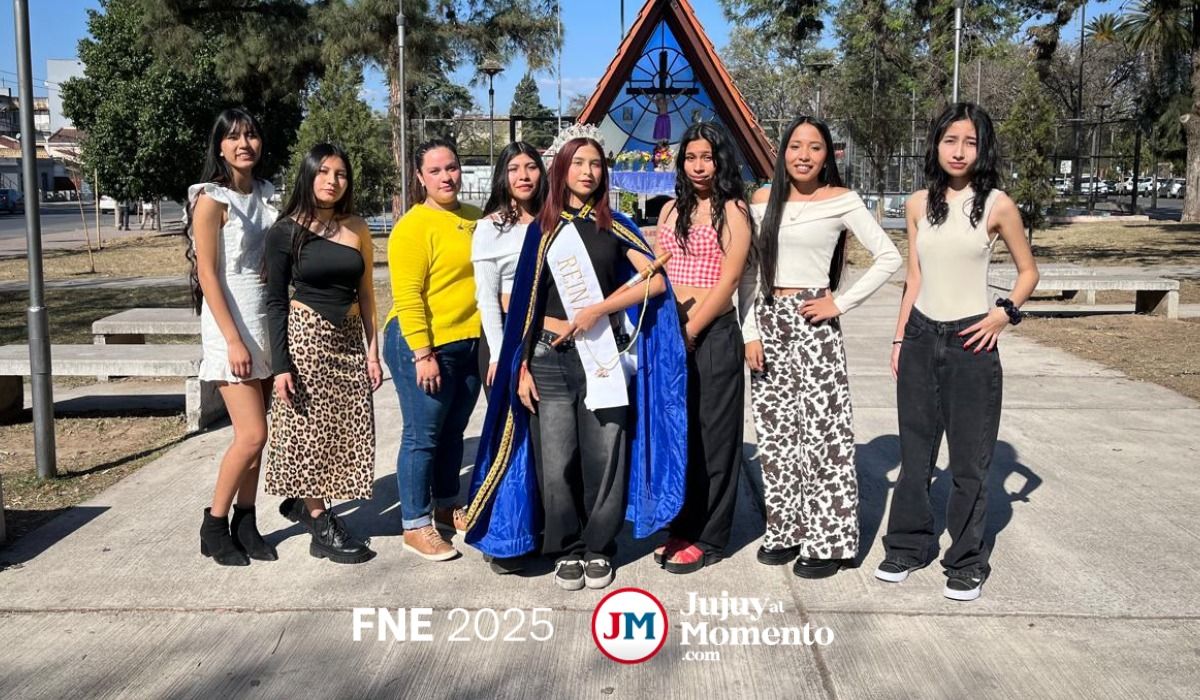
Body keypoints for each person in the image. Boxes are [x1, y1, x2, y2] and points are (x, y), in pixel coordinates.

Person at [463, 129, 688, 591]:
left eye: (596, 163)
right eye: (578, 163)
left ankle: (599, 546)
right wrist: (520, 367)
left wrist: (598, 309)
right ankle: (565, 547)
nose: (588, 172)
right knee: (557, 460)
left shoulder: (615, 224)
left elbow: (656, 282)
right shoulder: (542, 231)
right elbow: (524, 306)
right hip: (548, 358)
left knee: (606, 456)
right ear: (562, 170)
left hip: (602, 354)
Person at [875, 103, 1038, 602]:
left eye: (970, 141)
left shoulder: (998, 205)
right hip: (921, 337)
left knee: (969, 464)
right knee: (916, 456)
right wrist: (900, 338)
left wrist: (1004, 314)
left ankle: (966, 560)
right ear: (936, 145)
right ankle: (908, 546)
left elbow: (1029, 272)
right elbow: (914, 277)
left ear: (982, 148)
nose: (960, 151)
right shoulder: (918, 204)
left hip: (972, 342)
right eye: (950, 140)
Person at [741, 115, 902, 579]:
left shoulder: (842, 200)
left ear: (828, 154)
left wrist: (839, 303)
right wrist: (749, 332)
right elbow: (749, 273)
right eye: (795, 146)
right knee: (776, 435)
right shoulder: (761, 201)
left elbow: (889, 257)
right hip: (768, 320)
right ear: (782, 152)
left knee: (824, 435)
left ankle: (828, 540)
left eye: (815, 147)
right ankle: (785, 530)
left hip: (815, 324)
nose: (804, 155)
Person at [265, 143, 381, 565]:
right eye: (324, 172)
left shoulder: (357, 227)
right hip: (306, 337)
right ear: (309, 175)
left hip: (349, 340)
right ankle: (320, 520)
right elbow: (275, 301)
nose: (333, 181)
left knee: (346, 428)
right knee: (310, 431)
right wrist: (281, 366)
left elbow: (366, 293)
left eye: (341, 174)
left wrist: (372, 351)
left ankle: (306, 505)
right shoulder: (285, 231)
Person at [652, 122, 753, 574]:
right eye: (691, 157)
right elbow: (659, 269)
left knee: (715, 438)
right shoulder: (670, 209)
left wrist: (691, 330)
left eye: (707, 157)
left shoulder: (733, 211)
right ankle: (683, 523)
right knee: (682, 434)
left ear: (721, 161)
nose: (698, 166)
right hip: (670, 332)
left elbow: (729, 280)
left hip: (712, 335)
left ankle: (710, 536)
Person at [383, 138, 482, 562]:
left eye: (452, 168)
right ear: (420, 177)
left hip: (469, 341)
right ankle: (415, 523)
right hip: (422, 343)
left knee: (453, 430)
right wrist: (423, 354)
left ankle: (445, 505)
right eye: (436, 171)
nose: (446, 177)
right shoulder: (413, 226)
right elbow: (407, 296)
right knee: (422, 435)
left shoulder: (476, 218)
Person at [188, 107, 279, 567]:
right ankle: (213, 523)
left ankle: (246, 521)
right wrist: (233, 340)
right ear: (220, 147)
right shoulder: (210, 199)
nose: (245, 144)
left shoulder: (266, 194)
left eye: (252, 135)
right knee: (252, 434)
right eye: (234, 137)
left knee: (258, 438)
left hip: (264, 320)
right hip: (230, 324)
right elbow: (207, 274)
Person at [473, 141, 547, 389]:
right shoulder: (490, 228)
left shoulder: (554, 223)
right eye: (513, 169)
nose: (523, 176)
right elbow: (486, 297)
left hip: (546, 331)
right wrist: (498, 353)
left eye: (531, 167)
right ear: (502, 176)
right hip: (506, 331)